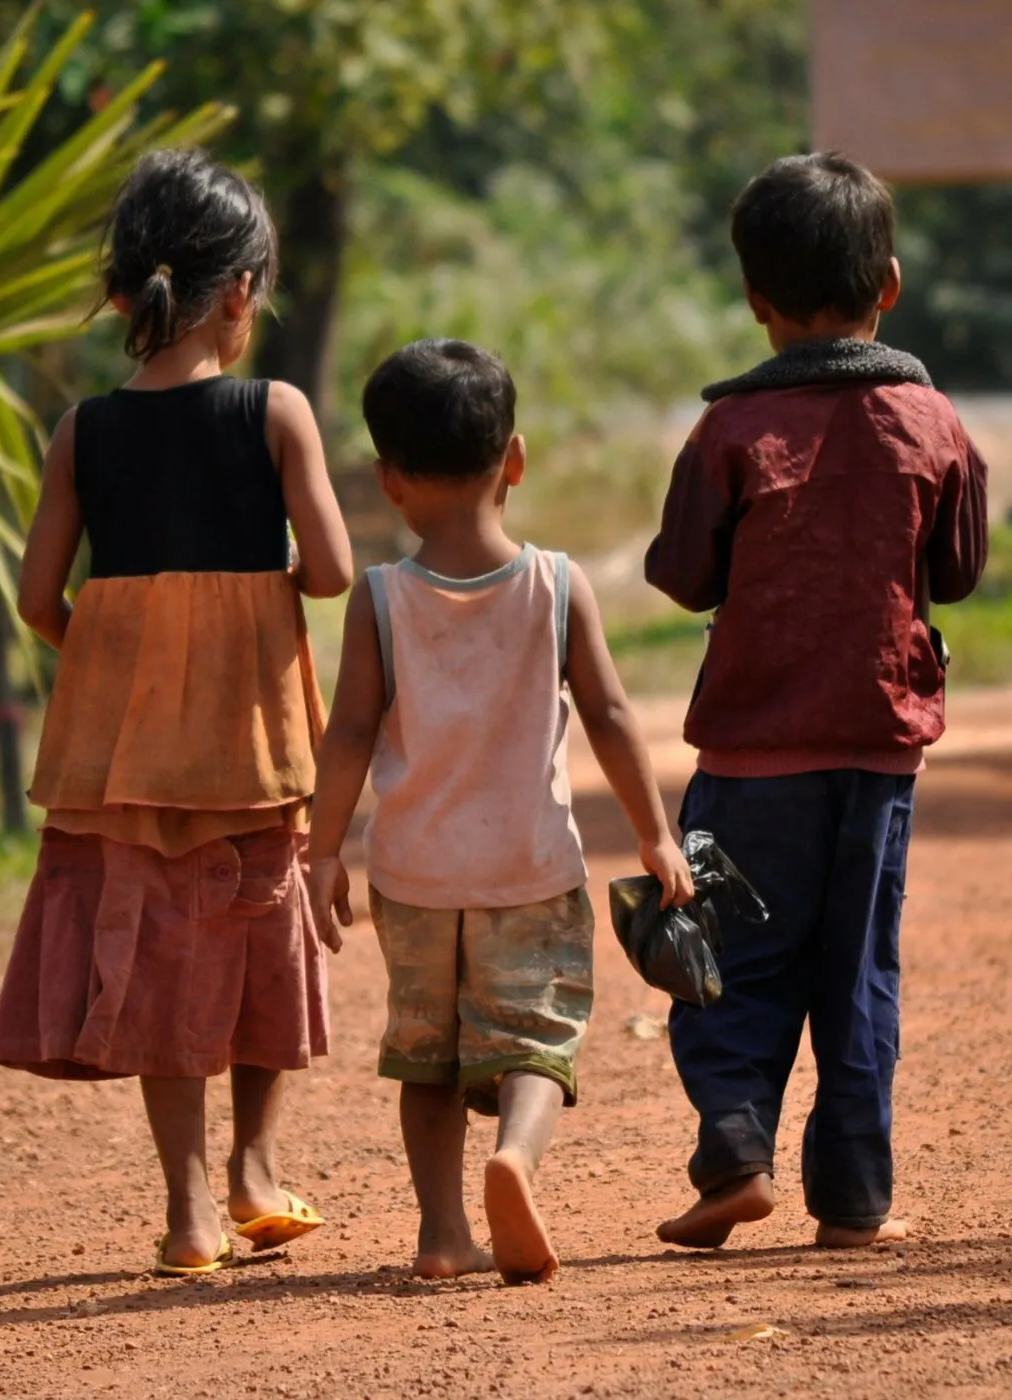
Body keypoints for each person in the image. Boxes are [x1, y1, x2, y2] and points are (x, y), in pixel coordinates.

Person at [0, 150, 354, 1279]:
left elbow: (38, 599)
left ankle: (188, 1208)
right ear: (240, 292)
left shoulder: (82, 430)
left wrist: (117, 658)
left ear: (125, 291)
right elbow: (333, 570)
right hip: (253, 742)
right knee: (258, 937)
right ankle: (256, 1166)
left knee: (156, 952)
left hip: (126, 753)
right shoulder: (274, 411)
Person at [642, 152, 988, 1251]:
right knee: (857, 968)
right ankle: (854, 1199)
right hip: (879, 751)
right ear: (887, 284)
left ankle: (735, 1147)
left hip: (750, 754)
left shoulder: (727, 435)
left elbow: (686, 573)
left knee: (729, 953)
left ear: (755, 301)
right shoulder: (932, 422)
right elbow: (962, 566)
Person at [305, 340, 693, 1285]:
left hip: (414, 876)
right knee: (536, 1037)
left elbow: (349, 733)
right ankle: (516, 1157)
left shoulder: (380, 600)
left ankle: (442, 1233)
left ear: (390, 482)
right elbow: (606, 713)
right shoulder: (558, 586)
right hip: (529, 867)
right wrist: (655, 833)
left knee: (426, 1059)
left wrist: (321, 856)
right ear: (513, 461)